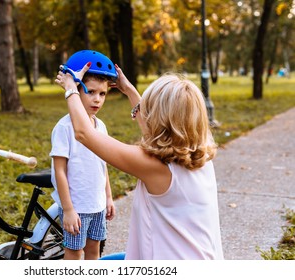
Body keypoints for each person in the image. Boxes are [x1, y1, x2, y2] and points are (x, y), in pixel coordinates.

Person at [55, 61, 224, 260]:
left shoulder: (154, 166)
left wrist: (71, 89)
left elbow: (84, 133)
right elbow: (152, 132)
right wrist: (128, 89)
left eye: (150, 109)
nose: (146, 114)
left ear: (161, 119)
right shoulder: (200, 158)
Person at [50, 50, 116, 260]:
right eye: (91, 92)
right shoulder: (64, 127)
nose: (97, 99)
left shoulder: (101, 126)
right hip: (76, 206)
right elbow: (59, 171)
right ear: (76, 90)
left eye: (102, 94)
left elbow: (102, 164)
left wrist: (108, 196)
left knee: (93, 252)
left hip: (97, 204)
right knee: (74, 253)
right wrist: (68, 209)